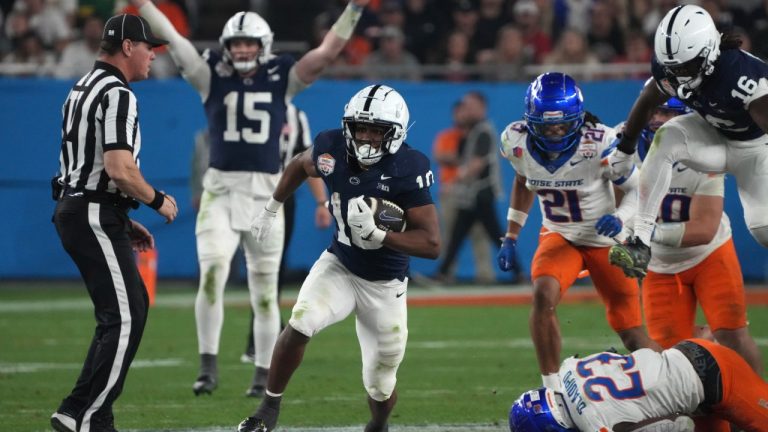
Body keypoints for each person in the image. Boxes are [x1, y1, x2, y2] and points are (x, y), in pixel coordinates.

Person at [129, 0, 370, 397]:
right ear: (227, 46)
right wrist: (142, 4)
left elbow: (327, 53)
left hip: (265, 193)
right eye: (236, 44)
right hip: (220, 190)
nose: (241, 51)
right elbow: (172, 38)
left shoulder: (282, 76)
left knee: (263, 288)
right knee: (211, 275)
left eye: (249, 44)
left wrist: (355, 9)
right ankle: (207, 367)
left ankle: (262, 372)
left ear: (265, 45)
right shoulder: (211, 75)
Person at [237, 84, 440, 432]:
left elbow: (432, 243)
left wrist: (382, 235)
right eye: (361, 128)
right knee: (300, 322)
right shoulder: (331, 147)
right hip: (340, 265)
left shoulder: (409, 166)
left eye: (377, 130)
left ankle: (379, 424)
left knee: (380, 382)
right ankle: (268, 407)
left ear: (395, 133)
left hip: (386, 285)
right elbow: (300, 165)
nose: (366, 137)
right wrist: (271, 208)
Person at [49, 13, 177, 432]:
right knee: (125, 315)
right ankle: (89, 415)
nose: (153, 57)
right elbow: (119, 167)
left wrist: (122, 215)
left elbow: (83, 166)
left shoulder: (81, 87)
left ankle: (80, 411)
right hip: (91, 211)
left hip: (83, 208)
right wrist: (158, 201)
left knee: (123, 311)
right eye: (148, 48)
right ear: (126, 47)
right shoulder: (117, 94)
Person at [497, 72, 660, 391]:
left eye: (562, 124)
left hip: (604, 241)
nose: (556, 132)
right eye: (547, 125)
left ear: (578, 118)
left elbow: (639, 189)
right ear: (530, 121)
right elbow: (522, 180)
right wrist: (511, 235)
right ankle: (553, 388)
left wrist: (621, 218)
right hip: (561, 236)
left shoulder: (600, 142)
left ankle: (679, 385)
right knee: (543, 294)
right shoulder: (515, 142)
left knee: (631, 333)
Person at [607, 4, 768, 279]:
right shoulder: (671, 67)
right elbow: (647, 101)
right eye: (673, 67)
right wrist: (624, 150)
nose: (679, 74)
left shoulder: (743, 77)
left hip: (754, 149)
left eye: (686, 66)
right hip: (712, 135)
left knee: (762, 229)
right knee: (666, 137)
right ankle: (640, 241)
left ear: (708, 51)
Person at [610, 98, 764, 377]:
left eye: (668, 112)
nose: (658, 119)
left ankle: (761, 402)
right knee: (669, 353)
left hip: (709, 254)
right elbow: (619, 206)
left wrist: (646, 235)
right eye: (655, 110)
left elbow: (704, 228)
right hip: (660, 264)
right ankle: (696, 409)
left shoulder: (704, 148)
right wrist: (624, 232)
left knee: (732, 334)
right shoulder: (624, 146)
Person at [508, 338, 768, 431]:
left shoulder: (593, 421)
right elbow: (614, 357)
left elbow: (680, 425)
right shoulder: (568, 368)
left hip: (719, 377)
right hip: (687, 354)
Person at [241, 103, 332, 364]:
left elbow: (306, 163)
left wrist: (320, 203)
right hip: (242, 195)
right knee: (254, 266)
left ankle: (260, 339)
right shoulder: (241, 102)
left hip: (281, 199)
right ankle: (262, 336)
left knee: (273, 267)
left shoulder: (294, 114)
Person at [434, 91, 518, 283]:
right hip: (471, 194)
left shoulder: (483, 131)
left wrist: (453, 182)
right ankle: (443, 272)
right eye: (465, 107)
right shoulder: (473, 132)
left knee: (492, 235)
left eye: (471, 107)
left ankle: (516, 271)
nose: (467, 111)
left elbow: (476, 165)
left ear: (482, 108)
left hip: (481, 193)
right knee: (458, 235)